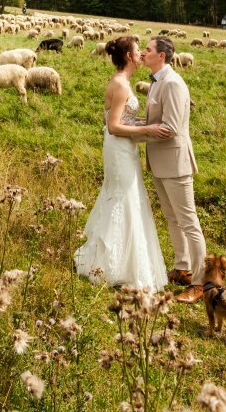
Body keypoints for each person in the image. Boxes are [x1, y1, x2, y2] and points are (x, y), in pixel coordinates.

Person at [74, 35, 172, 291]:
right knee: (123, 197)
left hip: (125, 148)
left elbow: (124, 121)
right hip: (119, 149)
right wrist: (147, 128)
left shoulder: (124, 82)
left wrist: (143, 127)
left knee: (129, 196)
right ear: (129, 56)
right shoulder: (120, 84)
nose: (141, 53)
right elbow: (113, 125)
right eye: (138, 50)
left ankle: (124, 259)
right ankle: (112, 263)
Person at [139, 35, 208, 303]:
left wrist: (136, 133)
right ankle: (182, 268)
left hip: (175, 162)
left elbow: (171, 128)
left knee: (189, 222)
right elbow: (154, 120)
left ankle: (200, 283)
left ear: (162, 56)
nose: (143, 53)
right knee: (171, 217)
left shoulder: (173, 83)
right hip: (159, 162)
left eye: (148, 49)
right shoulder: (157, 82)